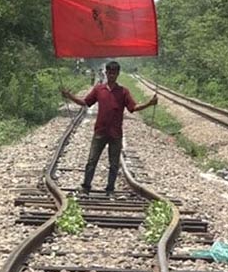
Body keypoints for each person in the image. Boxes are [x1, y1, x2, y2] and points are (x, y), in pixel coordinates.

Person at [60, 61, 158, 196]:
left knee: (114, 164)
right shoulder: (99, 89)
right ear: (106, 73)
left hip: (115, 133)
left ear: (117, 74)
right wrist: (69, 96)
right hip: (100, 131)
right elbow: (85, 103)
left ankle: (110, 190)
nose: (111, 75)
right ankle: (86, 187)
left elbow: (133, 108)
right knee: (91, 161)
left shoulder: (123, 92)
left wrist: (149, 103)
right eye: (109, 73)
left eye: (114, 73)